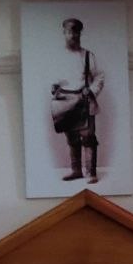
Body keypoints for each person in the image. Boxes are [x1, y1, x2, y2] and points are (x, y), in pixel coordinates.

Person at [49, 17, 104, 183]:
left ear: (80, 33)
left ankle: (91, 173)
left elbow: (99, 76)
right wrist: (54, 86)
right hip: (66, 100)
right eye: (68, 32)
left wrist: (91, 90)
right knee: (71, 138)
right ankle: (76, 171)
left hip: (84, 99)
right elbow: (53, 76)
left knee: (88, 136)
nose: (72, 35)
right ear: (64, 33)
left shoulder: (88, 55)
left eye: (75, 32)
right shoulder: (57, 56)